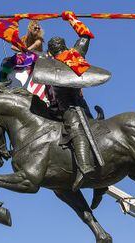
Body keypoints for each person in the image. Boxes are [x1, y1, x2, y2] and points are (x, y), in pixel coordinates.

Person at [46, 11, 96, 191]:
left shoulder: (51, 64)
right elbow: (85, 34)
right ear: (64, 45)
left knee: (75, 129)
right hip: (77, 103)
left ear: (50, 51)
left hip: (70, 106)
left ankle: (85, 167)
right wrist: (71, 19)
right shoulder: (74, 54)